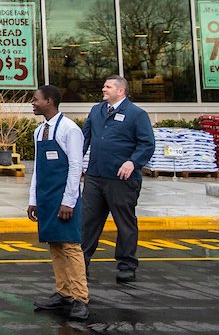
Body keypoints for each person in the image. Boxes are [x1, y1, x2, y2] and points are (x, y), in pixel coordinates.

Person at [81, 75, 155, 283]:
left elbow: (147, 144)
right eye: (104, 86)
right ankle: (81, 262)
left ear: (121, 91)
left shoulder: (136, 114)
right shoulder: (97, 110)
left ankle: (127, 264)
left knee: (124, 222)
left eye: (108, 86)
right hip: (95, 176)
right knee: (87, 221)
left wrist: (133, 162)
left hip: (121, 179)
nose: (103, 89)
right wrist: (77, 162)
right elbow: (85, 137)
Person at [28, 85, 89, 322]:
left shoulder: (69, 129)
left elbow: (76, 167)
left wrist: (68, 202)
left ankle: (80, 298)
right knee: (54, 245)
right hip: (46, 198)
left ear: (50, 101)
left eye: (36, 100)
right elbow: (37, 169)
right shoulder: (39, 131)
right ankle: (63, 293)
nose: (32, 103)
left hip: (64, 199)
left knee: (71, 247)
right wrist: (33, 200)